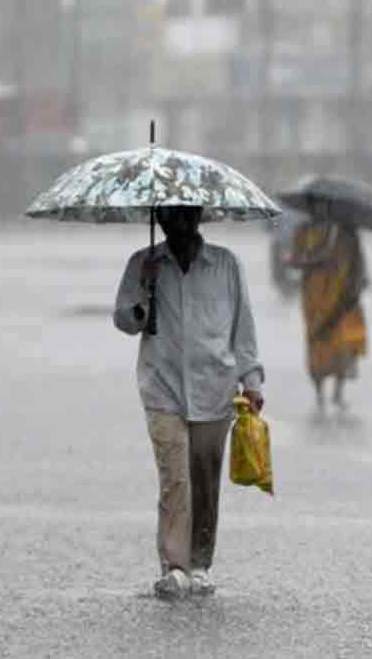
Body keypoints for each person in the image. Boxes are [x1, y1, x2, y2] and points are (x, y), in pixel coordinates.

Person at [113, 205, 265, 600]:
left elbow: (242, 328)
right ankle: (174, 565)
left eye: (182, 217)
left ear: (198, 217)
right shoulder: (143, 264)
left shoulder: (226, 266)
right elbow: (125, 321)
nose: (174, 225)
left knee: (203, 481)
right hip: (162, 389)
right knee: (174, 479)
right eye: (166, 218)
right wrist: (143, 293)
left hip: (215, 390)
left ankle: (200, 564)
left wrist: (252, 381)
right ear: (159, 220)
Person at [287, 207, 368, 411]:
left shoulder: (346, 233)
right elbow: (296, 259)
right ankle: (319, 392)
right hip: (313, 297)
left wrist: (356, 285)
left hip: (340, 297)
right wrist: (304, 261)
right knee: (316, 342)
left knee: (340, 343)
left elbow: (357, 264)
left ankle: (338, 393)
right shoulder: (303, 231)